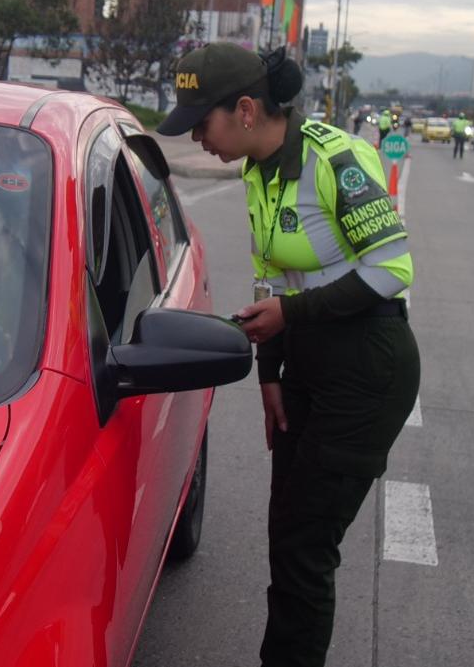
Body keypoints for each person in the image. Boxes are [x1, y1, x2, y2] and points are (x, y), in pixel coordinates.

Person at [156, 42, 421, 667]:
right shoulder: (257, 169)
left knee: (306, 548)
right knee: (287, 539)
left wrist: (290, 318)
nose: (196, 137)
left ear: (245, 109)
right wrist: (270, 375)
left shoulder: (337, 159)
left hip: (367, 368)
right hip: (304, 364)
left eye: (203, 121)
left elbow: (392, 269)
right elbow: (270, 280)